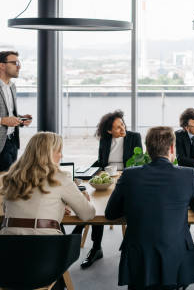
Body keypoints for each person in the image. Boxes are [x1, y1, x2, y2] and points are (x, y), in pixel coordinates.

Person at [105, 126, 194, 289]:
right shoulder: (187, 175)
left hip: (138, 260)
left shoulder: (128, 175)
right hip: (174, 258)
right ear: (171, 148)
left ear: (147, 149)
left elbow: (111, 213)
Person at [74, 110, 143, 269]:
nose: (123, 128)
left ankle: (131, 247)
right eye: (118, 127)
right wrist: (83, 172)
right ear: (109, 130)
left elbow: (139, 162)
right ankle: (96, 248)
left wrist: (123, 175)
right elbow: (101, 161)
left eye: (123, 124)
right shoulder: (105, 140)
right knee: (96, 205)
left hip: (127, 180)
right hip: (106, 179)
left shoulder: (134, 137)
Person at [0, 132, 95, 235]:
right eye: (59, 151)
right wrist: (85, 199)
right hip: (46, 246)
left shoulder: (13, 177)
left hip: (6, 246)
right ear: (48, 153)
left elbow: (7, 211)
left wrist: (58, 208)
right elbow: (87, 214)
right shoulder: (60, 178)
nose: (61, 155)